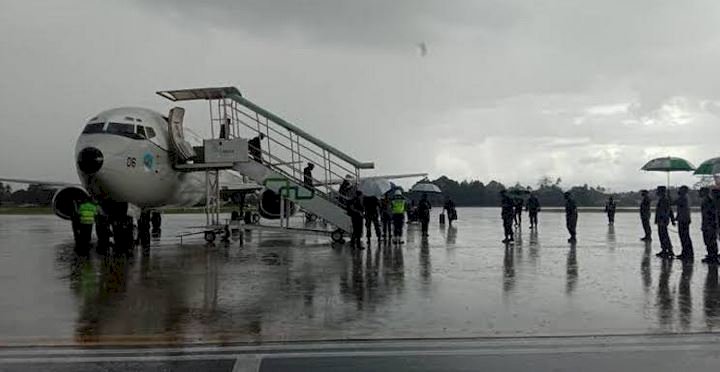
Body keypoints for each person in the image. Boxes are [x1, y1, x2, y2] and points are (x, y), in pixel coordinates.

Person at [655, 186, 676, 258]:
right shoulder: (663, 199)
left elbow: (668, 211)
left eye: (658, 191)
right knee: (662, 235)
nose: (657, 192)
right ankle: (665, 249)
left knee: (664, 235)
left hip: (663, 220)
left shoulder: (664, 200)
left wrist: (662, 220)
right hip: (662, 220)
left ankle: (669, 250)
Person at [675, 185, 694, 261]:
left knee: (684, 237)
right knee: (685, 237)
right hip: (684, 219)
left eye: (680, 189)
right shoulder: (686, 197)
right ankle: (686, 252)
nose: (679, 190)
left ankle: (687, 253)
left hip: (683, 220)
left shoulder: (683, 198)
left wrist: (669, 197)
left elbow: (674, 202)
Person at [700, 187, 718, 264]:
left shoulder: (709, 201)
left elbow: (711, 214)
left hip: (710, 224)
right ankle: (711, 255)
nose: (699, 193)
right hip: (707, 224)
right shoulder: (706, 200)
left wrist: (709, 225)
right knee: (707, 241)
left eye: (701, 192)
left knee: (711, 241)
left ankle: (713, 256)